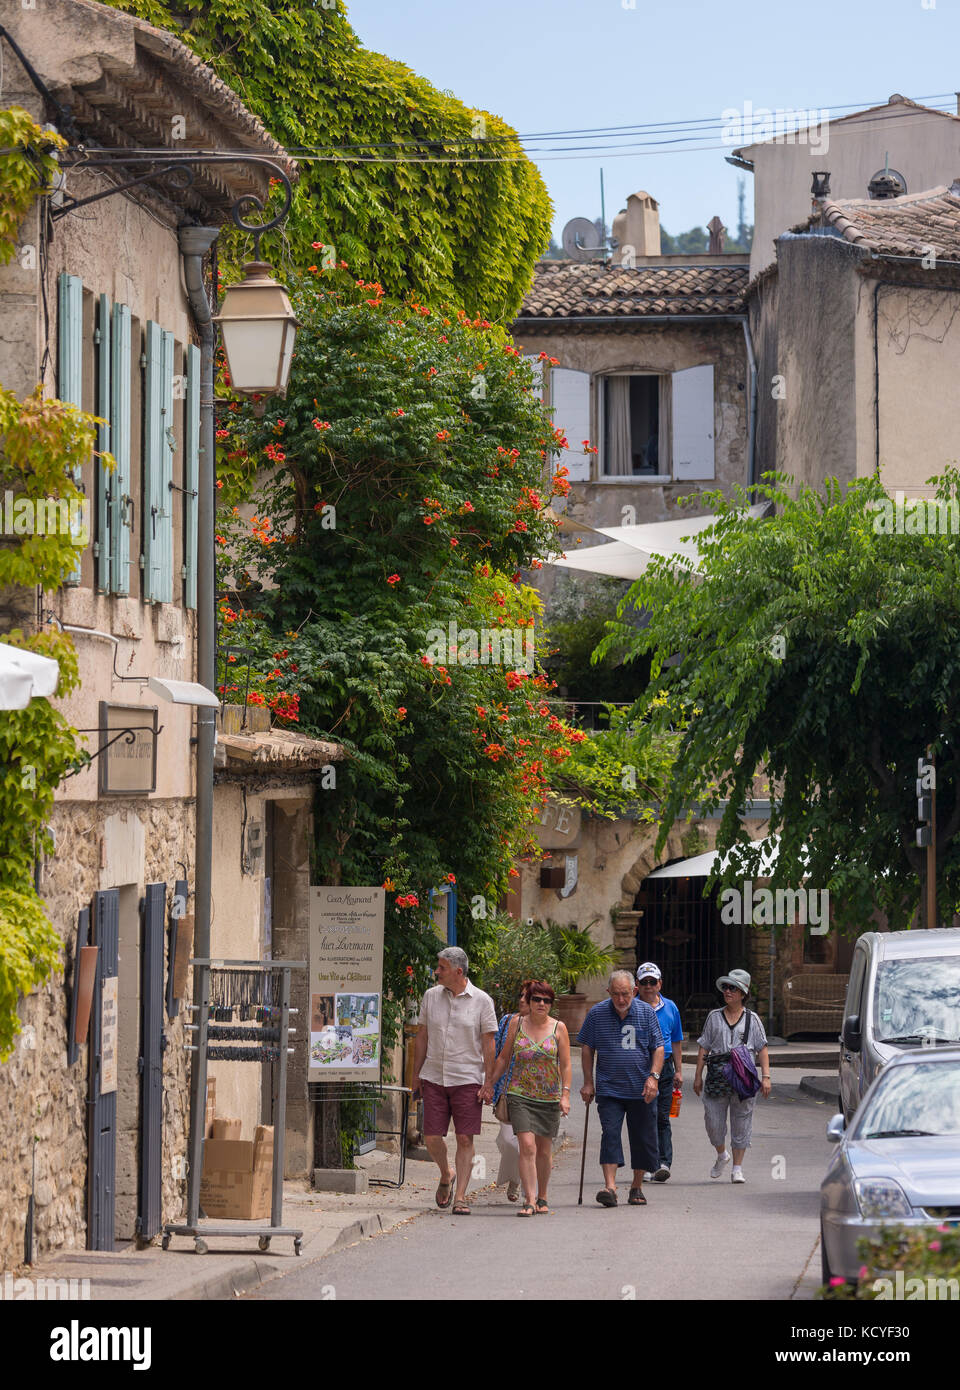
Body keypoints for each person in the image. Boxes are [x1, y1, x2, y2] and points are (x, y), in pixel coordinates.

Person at [412, 946, 498, 1215]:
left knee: (464, 1138)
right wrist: (415, 1076)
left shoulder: (482, 1001)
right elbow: (422, 1037)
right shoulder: (430, 997)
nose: (437, 972)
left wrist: (488, 1082)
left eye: (442, 968)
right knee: (431, 1138)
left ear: (458, 972)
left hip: (468, 1077)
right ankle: (446, 1173)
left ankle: (460, 1196)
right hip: (435, 1075)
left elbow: (488, 1043)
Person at [578, 970, 664, 1207]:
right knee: (611, 1134)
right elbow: (587, 1047)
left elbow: (658, 1047)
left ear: (634, 991)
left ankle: (637, 1186)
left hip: (641, 1088)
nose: (621, 999)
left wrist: (653, 1077)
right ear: (609, 993)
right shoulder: (597, 1013)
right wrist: (588, 1081)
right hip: (609, 1088)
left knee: (642, 1137)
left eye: (625, 994)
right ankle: (610, 1187)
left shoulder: (646, 1013)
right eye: (616, 994)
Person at [490, 980, 572, 1216]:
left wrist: (565, 1095)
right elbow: (504, 1058)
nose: (541, 1004)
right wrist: (489, 1084)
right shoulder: (517, 1023)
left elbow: (566, 1065)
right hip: (520, 1094)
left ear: (551, 1005)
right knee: (527, 1146)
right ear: (530, 1001)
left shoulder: (559, 1028)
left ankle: (543, 1196)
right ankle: (529, 1198)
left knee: (544, 1151)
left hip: (548, 1097)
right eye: (537, 999)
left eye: (546, 1001)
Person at [693, 969, 772, 1183]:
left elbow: (762, 1048)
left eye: (732, 988)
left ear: (743, 993)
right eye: (726, 987)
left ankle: (737, 1168)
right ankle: (722, 1154)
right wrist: (698, 1075)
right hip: (717, 1076)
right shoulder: (714, 1017)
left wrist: (766, 1077)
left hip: (743, 1078)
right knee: (713, 1122)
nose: (727, 991)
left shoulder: (752, 1019)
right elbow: (704, 1047)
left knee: (742, 1122)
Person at [634, 963, 684, 1182]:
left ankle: (663, 1163)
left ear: (660, 984)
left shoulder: (670, 1007)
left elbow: (676, 1040)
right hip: (639, 1069)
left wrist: (679, 1071)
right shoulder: (631, 1006)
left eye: (652, 982)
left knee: (663, 1117)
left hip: (664, 1069)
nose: (648, 986)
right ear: (637, 985)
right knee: (644, 1117)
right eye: (644, 982)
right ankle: (645, 1163)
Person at [492, 982, 532, 1201]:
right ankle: (516, 1178)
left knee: (526, 1143)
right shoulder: (508, 1021)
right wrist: (489, 1082)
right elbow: (498, 1053)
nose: (522, 1000)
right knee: (508, 1140)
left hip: (535, 1093)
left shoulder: (547, 1025)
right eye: (521, 996)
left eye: (528, 997)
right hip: (507, 1090)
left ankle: (525, 1188)